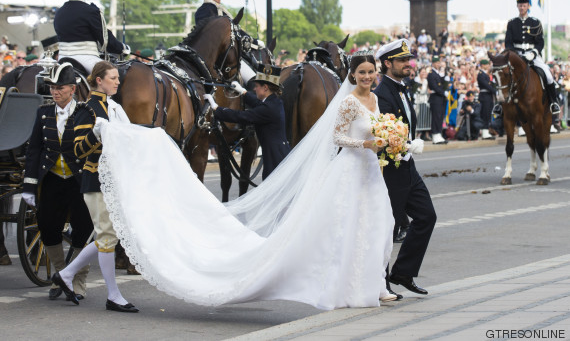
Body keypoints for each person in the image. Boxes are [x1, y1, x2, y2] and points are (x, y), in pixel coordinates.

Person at [81, 52, 398, 310]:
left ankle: (376, 283)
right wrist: (371, 142)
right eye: (363, 72)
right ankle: (365, 283)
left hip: (346, 165)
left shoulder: (280, 104)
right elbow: (260, 112)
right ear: (353, 75)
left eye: (371, 72)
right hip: (338, 163)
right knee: (352, 225)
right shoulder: (329, 102)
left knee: (377, 224)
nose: (368, 76)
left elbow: (250, 114)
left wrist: (389, 138)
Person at [51, 61, 137, 313]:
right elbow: (78, 150)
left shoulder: (113, 107)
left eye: (117, 78)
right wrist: (96, 134)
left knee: (106, 236)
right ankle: (113, 295)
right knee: (107, 237)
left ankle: (66, 274)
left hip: (111, 179)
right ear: (98, 80)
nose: (117, 82)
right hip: (95, 179)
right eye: (112, 78)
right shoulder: (87, 109)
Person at [22, 63, 94, 301]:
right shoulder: (42, 113)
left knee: (83, 231)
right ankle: (62, 275)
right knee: (46, 226)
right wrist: (29, 186)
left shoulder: (86, 112)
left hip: (78, 180)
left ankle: (79, 281)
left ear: (72, 89)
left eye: (60, 87)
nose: (55, 91)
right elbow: (34, 151)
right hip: (53, 178)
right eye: (52, 87)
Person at [374, 38, 437, 298]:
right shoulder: (382, 94)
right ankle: (381, 282)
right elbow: (384, 137)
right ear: (388, 63)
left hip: (407, 166)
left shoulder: (402, 88)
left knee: (426, 216)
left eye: (407, 60)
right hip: (392, 168)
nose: (407, 64)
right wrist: (408, 146)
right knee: (388, 226)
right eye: (402, 60)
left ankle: (403, 272)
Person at [204, 64, 290, 180]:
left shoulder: (268, 108)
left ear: (265, 88)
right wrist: (243, 92)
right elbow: (257, 103)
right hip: (278, 153)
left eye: (257, 86)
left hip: (274, 157)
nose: (254, 89)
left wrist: (216, 108)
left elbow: (241, 116)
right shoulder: (274, 102)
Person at [500, 0, 560, 116]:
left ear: (528, 6)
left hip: (532, 55)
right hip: (517, 55)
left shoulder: (535, 22)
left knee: (547, 73)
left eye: (524, 5)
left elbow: (540, 42)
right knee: (503, 75)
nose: (522, 7)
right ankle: (500, 105)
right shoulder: (512, 23)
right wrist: (515, 54)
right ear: (517, 6)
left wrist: (533, 53)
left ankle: (553, 102)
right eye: (520, 5)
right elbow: (508, 43)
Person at [54, 0, 130, 74]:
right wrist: (122, 48)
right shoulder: (91, 11)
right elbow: (105, 39)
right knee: (114, 77)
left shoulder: (59, 12)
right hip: (86, 59)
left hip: (62, 60)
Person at [427, 56, 447, 144]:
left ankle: (439, 134)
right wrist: (443, 92)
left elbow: (440, 85)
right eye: (437, 63)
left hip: (440, 98)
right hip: (435, 98)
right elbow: (434, 86)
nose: (438, 64)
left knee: (440, 117)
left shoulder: (437, 73)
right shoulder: (431, 74)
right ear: (433, 63)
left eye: (439, 62)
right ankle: (435, 135)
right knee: (436, 117)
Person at [477, 60, 496, 139]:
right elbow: (486, 85)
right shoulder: (481, 75)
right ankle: (484, 132)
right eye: (486, 64)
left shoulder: (485, 74)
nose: (488, 66)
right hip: (485, 96)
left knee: (488, 113)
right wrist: (495, 91)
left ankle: (486, 131)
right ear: (482, 65)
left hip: (488, 95)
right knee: (485, 114)